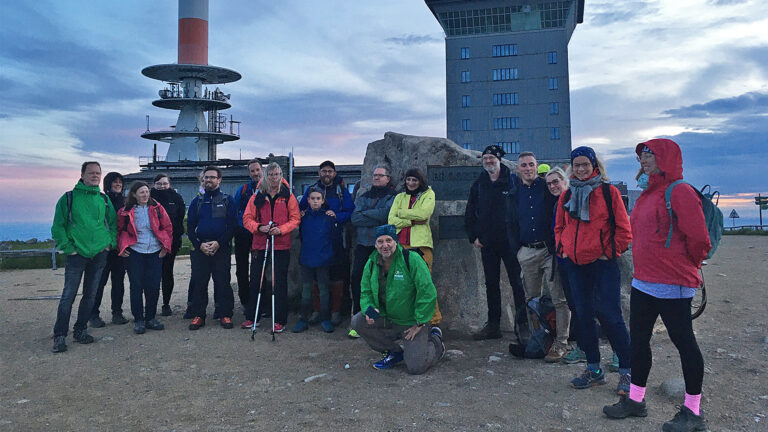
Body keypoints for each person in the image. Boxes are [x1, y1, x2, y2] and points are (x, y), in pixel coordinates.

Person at [603, 139, 711, 432]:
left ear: (665, 157)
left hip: (673, 282)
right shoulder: (650, 193)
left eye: (649, 154)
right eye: (641, 155)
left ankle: (693, 412)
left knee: (684, 343)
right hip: (644, 281)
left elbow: (700, 239)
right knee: (637, 341)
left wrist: (687, 266)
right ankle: (636, 401)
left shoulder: (680, 192)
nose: (644, 159)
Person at [554, 146, 632, 394]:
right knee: (583, 317)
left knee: (611, 316)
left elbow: (624, 230)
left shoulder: (609, 193)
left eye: (585, 164)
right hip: (575, 265)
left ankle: (627, 372)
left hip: (602, 264)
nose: (580, 169)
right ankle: (594, 369)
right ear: (571, 168)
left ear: (594, 165)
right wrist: (562, 249)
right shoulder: (566, 195)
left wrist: (607, 253)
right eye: (576, 165)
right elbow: (559, 226)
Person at [350, 225, 444, 374]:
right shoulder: (371, 262)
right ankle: (394, 351)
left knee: (416, 367)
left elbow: (427, 292)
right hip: (387, 318)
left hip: (410, 322)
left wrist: (419, 322)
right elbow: (365, 291)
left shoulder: (411, 259)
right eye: (380, 242)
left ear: (396, 242)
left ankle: (436, 342)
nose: (385, 245)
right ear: (375, 245)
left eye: (389, 240)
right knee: (358, 321)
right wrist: (369, 309)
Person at [50, 161, 117, 353]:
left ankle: (80, 330)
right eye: (91, 173)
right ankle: (60, 335)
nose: (95, 176)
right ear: (82, 175)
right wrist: (67, 247)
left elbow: (113, 223)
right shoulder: (69, 198)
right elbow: (58, 226)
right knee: (68, 295)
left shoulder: (103, 199)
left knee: (90, 295)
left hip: (99, 254)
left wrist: (109, 243)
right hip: (76, 254)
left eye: (98, 173)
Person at [509, 151, 569, 361]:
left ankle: (561, 342)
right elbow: (511, 223)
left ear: (537, 167)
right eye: (523, 165)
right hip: (527, 251)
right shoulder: (514, 193)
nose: (528, 168)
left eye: (531, 164)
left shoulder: (547, 187)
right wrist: (518, 250)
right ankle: (538, 339)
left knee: (558, 298)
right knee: (531, 299)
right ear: (518, 169)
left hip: (549, 251)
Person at [465, 145, 527, 340]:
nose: (489, 161)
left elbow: (522, 210)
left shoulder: (513, 181)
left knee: (517, 283)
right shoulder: (479, 183)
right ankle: (493, 326)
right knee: (491, 284)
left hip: (510, 243)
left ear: (499, 160)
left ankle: (523, 324)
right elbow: (470, 211)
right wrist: (473, 236)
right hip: (487, 243)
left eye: (492, 158)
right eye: (486, 159)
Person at [242, 162, 300, 332]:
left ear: (281, 175)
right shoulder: (257, 196)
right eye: (271, 174)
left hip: (281, 244)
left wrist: (281, 230)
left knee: (279, 282)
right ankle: (253, 317)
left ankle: (280, 319)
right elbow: (247, 218)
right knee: (257, 281)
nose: (274, 178)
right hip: (260, 243)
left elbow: (295, 218)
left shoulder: (287, 195)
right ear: (266, 176)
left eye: (277, 174)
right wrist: (260, 227)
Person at [298, 160, 354, 326]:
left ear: (334, 173)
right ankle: (317, 311)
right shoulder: (311, 189)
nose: (327, 174)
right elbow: (300, 210)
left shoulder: (341, 191)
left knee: (336, 277)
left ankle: (335, 311)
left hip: (336, 240)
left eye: (330, 171)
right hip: (316, 241)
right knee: (315, 278)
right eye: (324, 171)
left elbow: (350, 211)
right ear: (319, 173)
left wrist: (336, 216)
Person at [117, 181, 173, 334]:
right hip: (135, 252)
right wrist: (122, 247)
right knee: (136, 287)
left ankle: (150, 318)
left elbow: (167, 228)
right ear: (134, 194)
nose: (145, 195)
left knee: (153, 286)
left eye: (147, 192)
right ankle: (139, 320)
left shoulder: (157, 208)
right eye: (141, 192)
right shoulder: (125, 211)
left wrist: (165, 247)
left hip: (155, 252)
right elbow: (120, 230)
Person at [388, 167, 441, 325]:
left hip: (421, 246)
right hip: (401, 245)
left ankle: (433, 322)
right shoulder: (399, 197)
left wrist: (401, 213)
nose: (411, 183)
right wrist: (411, 220)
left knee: (424, 285)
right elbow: (391, 220)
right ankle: (409, 321)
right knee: (403, 285)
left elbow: (424, 215)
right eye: (408, 179)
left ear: (420, 181)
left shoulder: (428, 194)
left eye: (414, 180)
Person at [187, 166, 237, 330]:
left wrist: (219, 243)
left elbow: (232, 226)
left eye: (212, 177)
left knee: (222, 282)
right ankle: (199, 315)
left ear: (219, 179)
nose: (209, 180)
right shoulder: (197, 201)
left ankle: (224, 314)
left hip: (220, 248)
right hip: (201, 248)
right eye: (206, 177)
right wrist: (199, 245)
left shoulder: (227, 200)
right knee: (200, 282)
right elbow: (190, 226)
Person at [349, 165, 396, 338]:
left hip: (382, 247)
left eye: (380, 175)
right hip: (363, 244)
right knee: (358, 280)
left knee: (379, 284)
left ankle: (377, 320)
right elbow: (355, 217)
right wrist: (373, 216)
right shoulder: (363, 195)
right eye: (374, 175)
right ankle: (359, 319)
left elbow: (386, 215)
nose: (376, 178)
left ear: (388, 178)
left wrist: (366, 214)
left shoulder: (393, 196)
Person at [545, 167, 585, 363]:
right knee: (569, 302)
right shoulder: (556, 203)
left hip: (576, 260)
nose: (553, 186)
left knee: (584, 303)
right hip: (561, 259)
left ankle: (589, 347)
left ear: (564, 181)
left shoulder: (573, 199)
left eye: (556, 182)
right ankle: (579, 345)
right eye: (549, 183)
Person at [293, 187, 337, 333]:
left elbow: (333, 238)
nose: (315, 201)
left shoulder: (329, 217)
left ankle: (325, 318)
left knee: (324, 289)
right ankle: (303, 319)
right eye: (312, 198)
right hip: (307, 257)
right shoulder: (302, 217)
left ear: (323, 200)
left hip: (324, 258)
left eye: (318, 198)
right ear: (308, 200)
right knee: (306, 290)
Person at [90, 171, 128, 327]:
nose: (118, 184)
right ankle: (93, 314)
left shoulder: (126, 202)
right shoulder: (100, 200)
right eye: (115, 182)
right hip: (103, 249)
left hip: (119, 248)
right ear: (108, 184)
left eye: (120, 182)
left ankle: (117, 313)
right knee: (99, 282)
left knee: (118, 282)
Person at [151, 173, 186, 316]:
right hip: (151, 243)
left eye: (165, 183)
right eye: (159, 183)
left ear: (169, 184)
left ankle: (166, 303)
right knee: (151, 275)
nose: (162, 186)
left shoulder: (176, 198)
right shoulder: (148, 197)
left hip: (171, 242)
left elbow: (179, 219)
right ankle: (150, 304)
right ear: (154, 184)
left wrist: (174, 239)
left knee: (167, 273)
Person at [233, 159, 263, 309]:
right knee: (242, 268)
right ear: (249, 173)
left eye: (257, 170)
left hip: (261, 233)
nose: (255, 173)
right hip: (243, 233)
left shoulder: (269, 188)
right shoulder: (243, 189)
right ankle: (245, 301)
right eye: (252, 171)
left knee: (259, 269)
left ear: (262, 170)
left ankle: (260, 301)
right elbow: (234, 210)